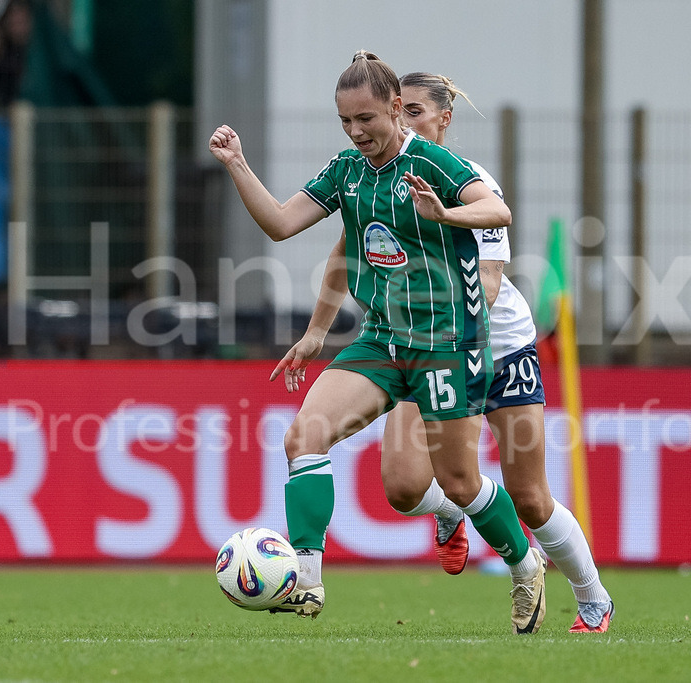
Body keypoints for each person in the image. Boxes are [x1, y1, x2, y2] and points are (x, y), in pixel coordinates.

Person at [210, 51, 548, 635]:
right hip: (383, 337)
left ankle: (524, 565)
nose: (356, 132)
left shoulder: (431, 161)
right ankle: (305, 581)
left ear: (395, 108)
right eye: (346, 121)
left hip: (445, 341)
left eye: (366, 118)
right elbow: (281, 223)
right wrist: (237, 163)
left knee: (460, 482)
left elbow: (499, 209)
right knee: (304, 435)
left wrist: (446, 213)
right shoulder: (346, 170)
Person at [277, 72, 614, 634]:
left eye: (414, 112)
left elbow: (487, 280)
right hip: (419, 342)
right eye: (398, 112)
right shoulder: (376, 177)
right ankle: (452, 509)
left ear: (443, 119)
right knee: (405, 488)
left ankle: (591, 597)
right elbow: (346, 250)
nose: (402, 124)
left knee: (530, 497)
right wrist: (323, 328)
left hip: (492, 347)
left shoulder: (464, 182)